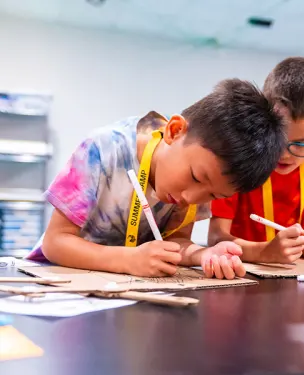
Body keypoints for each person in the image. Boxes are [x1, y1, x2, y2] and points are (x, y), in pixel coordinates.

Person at [25, 79, 287, 280]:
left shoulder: (203, 177)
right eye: (195, 177)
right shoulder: (103, 148)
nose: (190, 198)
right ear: (174, 131)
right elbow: (55, 243)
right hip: (59, 285)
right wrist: (128, 260)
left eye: (213, 196)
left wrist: (202, 254)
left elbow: (175, 241)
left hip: (124, 293)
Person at [208, 57, 304, 269]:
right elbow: (216, 239)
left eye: (302, 144)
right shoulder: (240, 153)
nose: (284, 155)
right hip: (240, 273)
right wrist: (265, 252)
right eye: (277, 138)